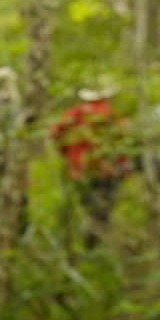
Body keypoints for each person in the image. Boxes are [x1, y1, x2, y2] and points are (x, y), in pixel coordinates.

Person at [51, 88, 130, 249]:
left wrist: (67, 155)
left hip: (80, 169)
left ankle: (89, 243)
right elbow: (122, 142)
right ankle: (94, 244)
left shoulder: (73, 114)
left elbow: (55, 133)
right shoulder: (110, 115)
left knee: (87, 204)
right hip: (105, 170)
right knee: (102, 207)